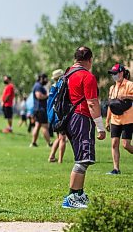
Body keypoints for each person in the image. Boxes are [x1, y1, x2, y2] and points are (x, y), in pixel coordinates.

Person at [61, 46, 106, 209]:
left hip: (70, 119)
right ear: (89, 59)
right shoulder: (87, 76)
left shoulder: (67, 74)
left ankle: (79, 194)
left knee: (82, 157)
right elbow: (92, 102)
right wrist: (100, 127)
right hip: (81, 118)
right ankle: (71, 197)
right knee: (83, 159)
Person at [105, 63, 133, 175]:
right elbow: (110, 105)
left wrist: (126, 96)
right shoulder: (112, 88)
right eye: (113, 74)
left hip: (128, 119)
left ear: (121, 73)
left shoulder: (129, 84)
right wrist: (107, 120)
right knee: (114, 144)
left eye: (115, 73)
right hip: (115, 119)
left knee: (126, 145)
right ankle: (116, 169)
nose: (114, 76)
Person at [48, 69, 67, 163]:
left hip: (52, 115)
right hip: (59, 115)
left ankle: (51, 156)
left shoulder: (52, 87)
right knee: (63, 138)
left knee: (59, 137)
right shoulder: (60, 88)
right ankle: (60, 160)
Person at [30, 74, 52, 148]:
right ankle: (49, 143)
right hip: (41, 109)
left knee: (37, 125)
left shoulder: (37, 85)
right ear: (41, 78)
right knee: (45, 127)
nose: (46, 80)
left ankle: (33, 142)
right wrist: (48, 95)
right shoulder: (38, 86)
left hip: (38, 109)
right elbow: (38, 96)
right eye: (45, 79)